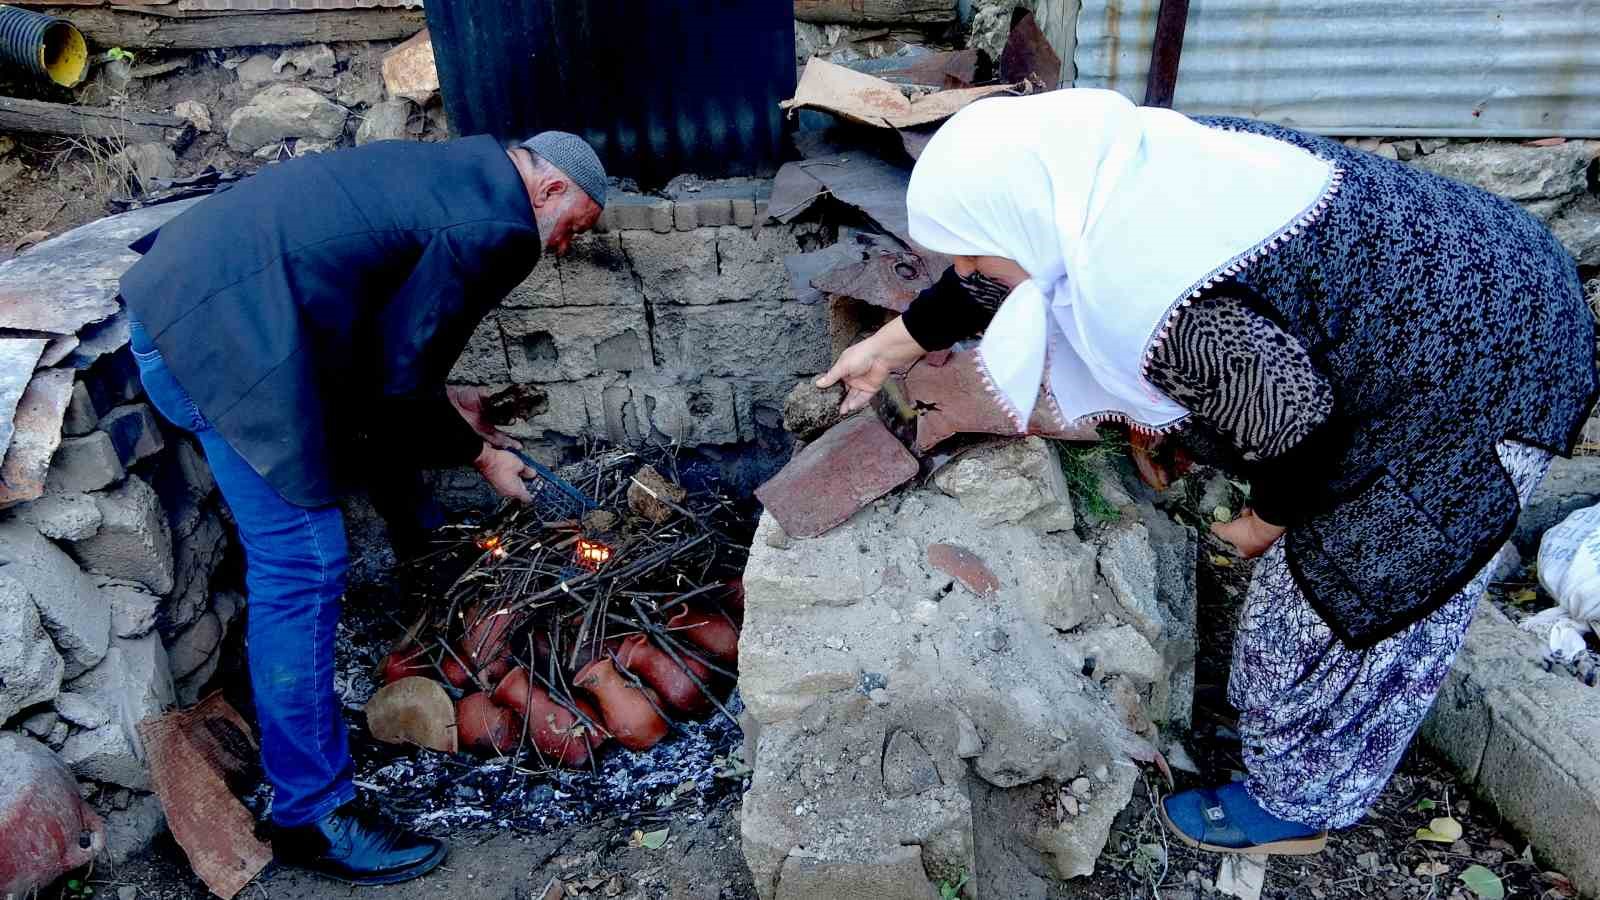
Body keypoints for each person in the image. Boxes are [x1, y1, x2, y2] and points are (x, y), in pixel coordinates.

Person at [816, 90, 1597, 856]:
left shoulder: (1163, 297)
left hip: (1491, 367)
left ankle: (1298, 805)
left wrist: (1264, 524)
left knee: (1349, 593)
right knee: (1322, 574)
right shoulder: (1095, 179)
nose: (964, 266)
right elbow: (1002, 267)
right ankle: (1291, 741)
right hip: (1461, 276)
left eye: (971, 251)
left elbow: (1295, 439)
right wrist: (891, 346)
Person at [118, 131, 606, 884]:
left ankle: (296, 737)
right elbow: (397, 379)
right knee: (305, 562)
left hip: (185, 300)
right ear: (548, 191)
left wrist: (447, 406)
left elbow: (387, 329)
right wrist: (481, 454)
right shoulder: (503, 228)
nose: (569, 245)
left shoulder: (463, 169)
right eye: (577, 224)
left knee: (326, 499)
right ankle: (312, 814)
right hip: (216, 342)